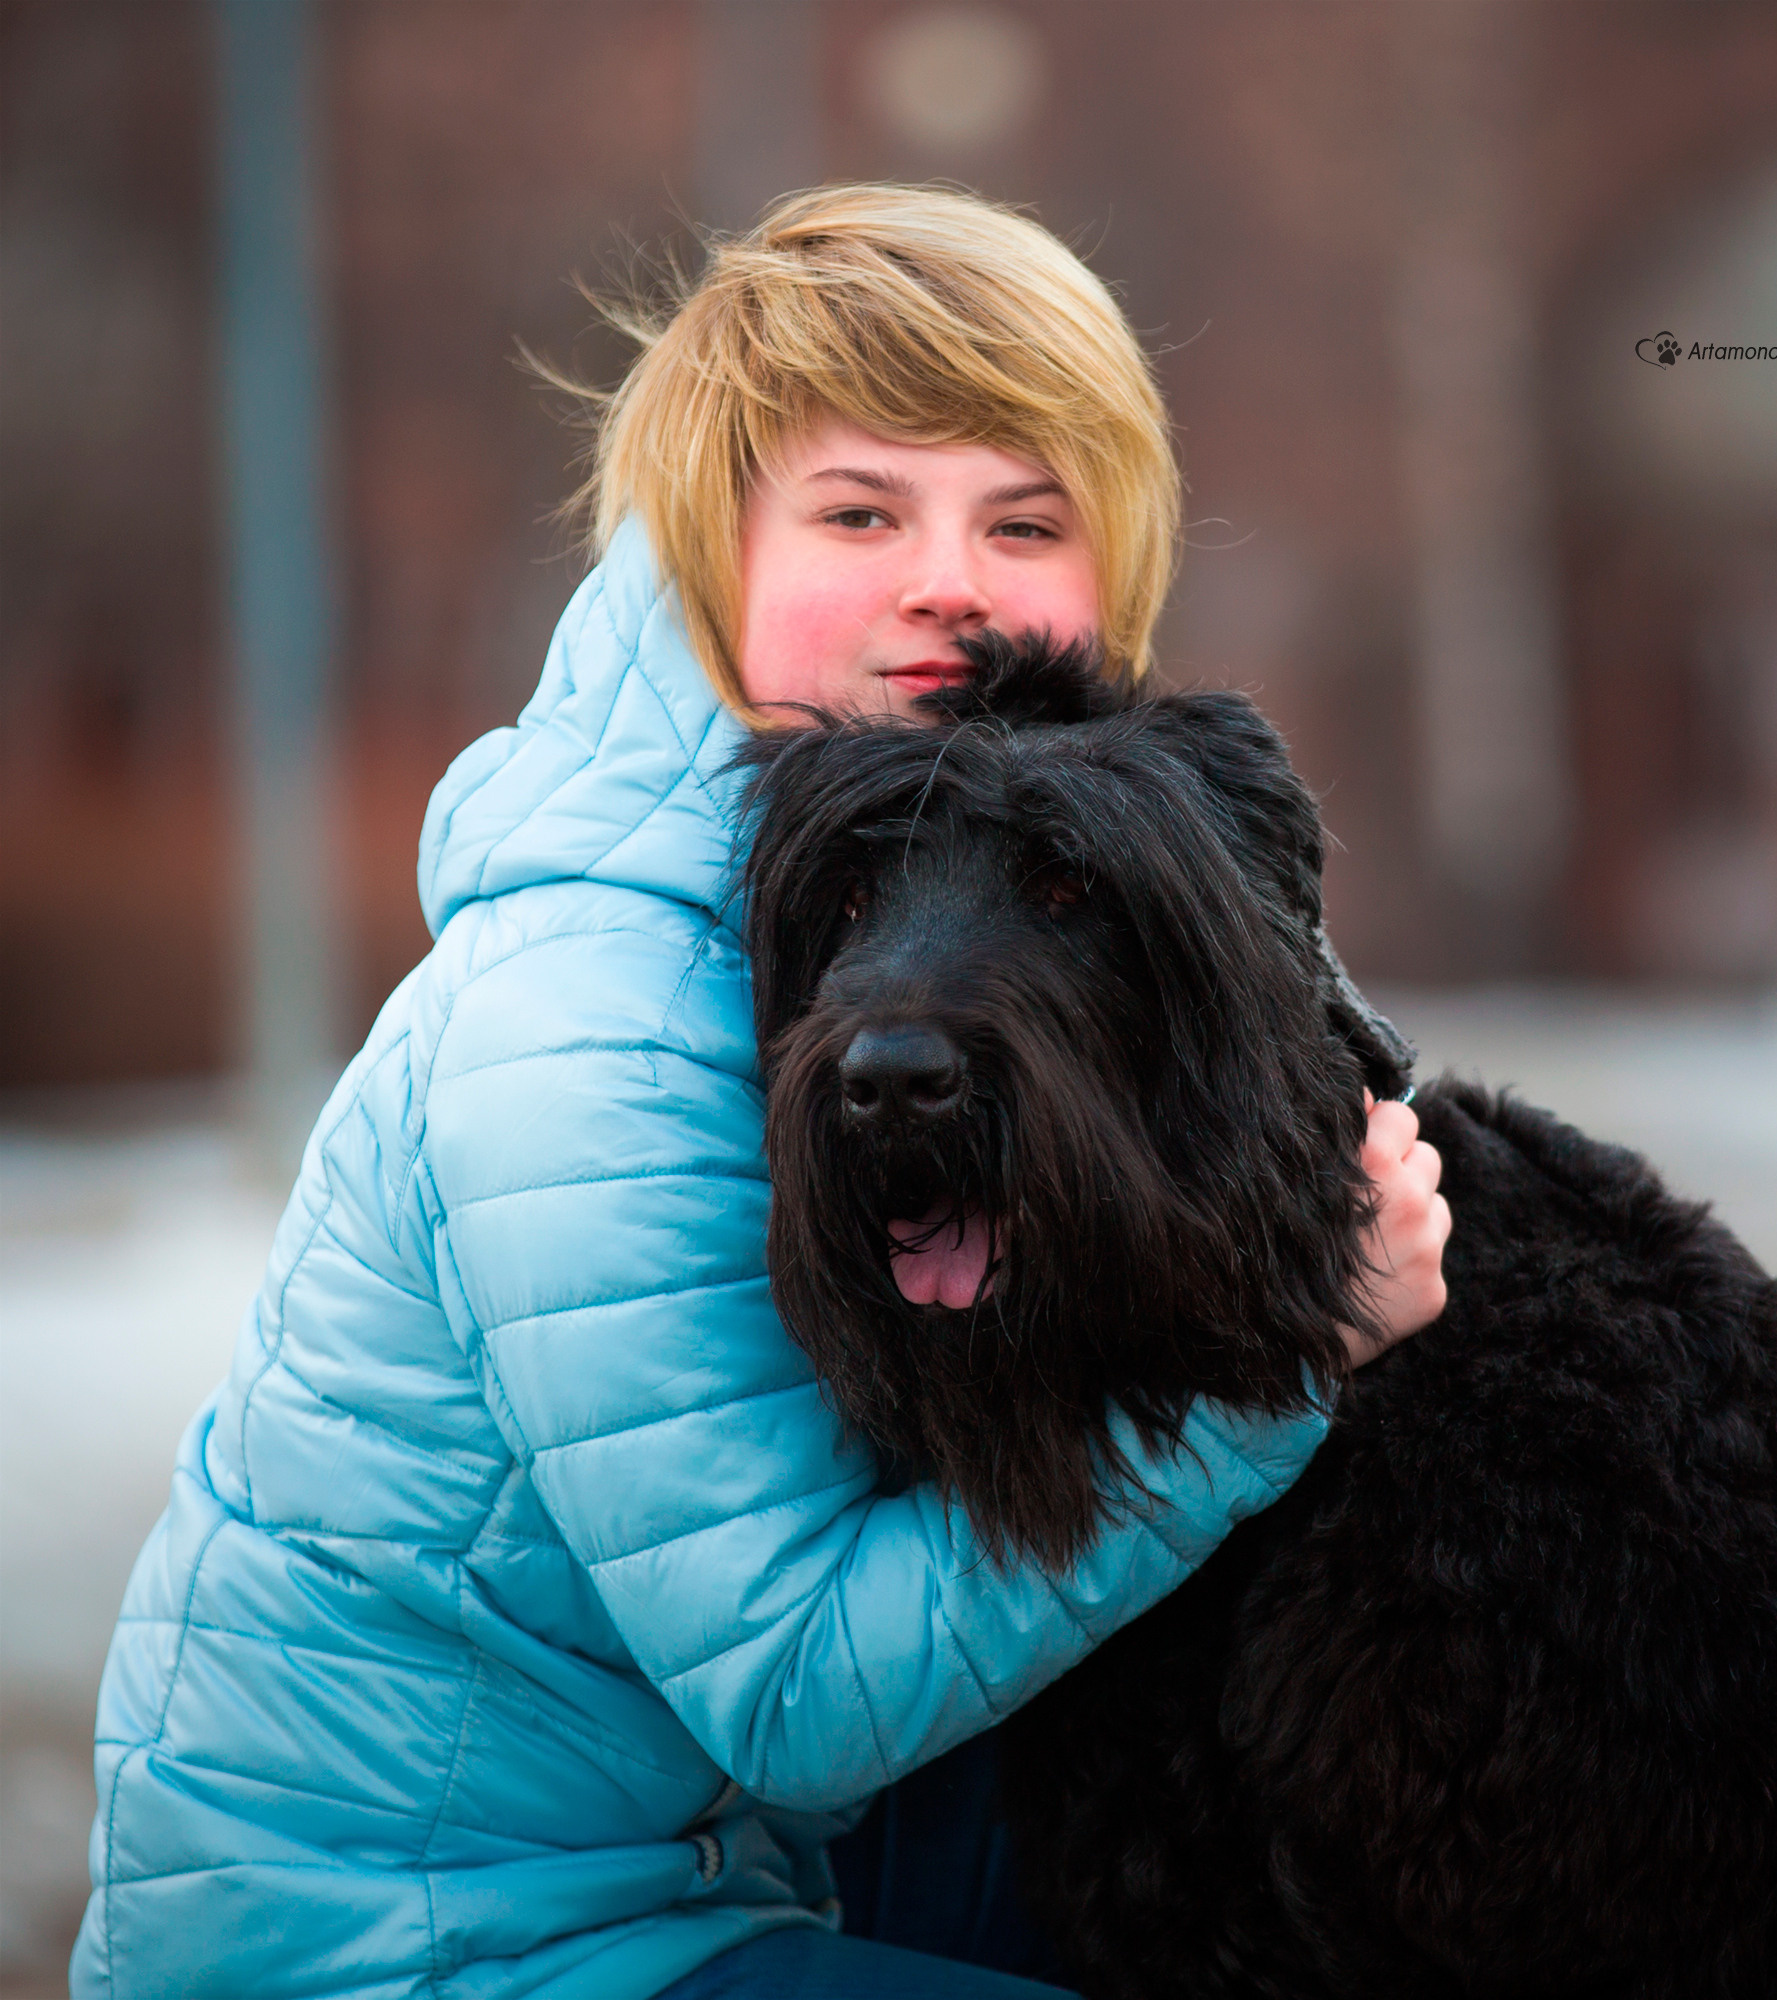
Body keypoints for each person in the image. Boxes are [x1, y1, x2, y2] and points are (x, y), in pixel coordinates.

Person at [73, 185, 1449, 2000]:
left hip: (709, 1852)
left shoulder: (923, 911)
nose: (948, 578)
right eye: (860, 509)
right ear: (706, 550)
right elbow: (795, 1688)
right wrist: (1284, 1363)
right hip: (424, 1946)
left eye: (1023, 521)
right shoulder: (595, 1014)